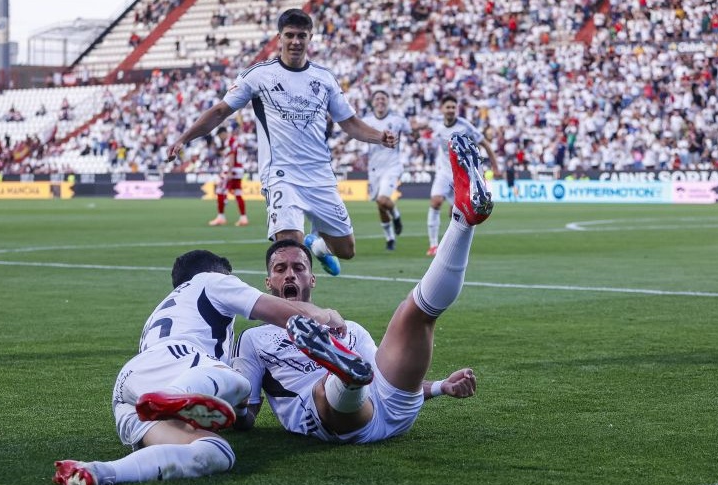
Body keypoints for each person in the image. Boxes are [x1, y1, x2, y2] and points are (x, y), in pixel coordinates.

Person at [233, 133, 493, 443]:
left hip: (393, 410)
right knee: (325, 386)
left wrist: (439, 387)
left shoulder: (350, 329)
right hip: (338, 418)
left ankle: (463, 219)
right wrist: (227, 410)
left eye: (299, 268)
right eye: (280, 269)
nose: (290, 275)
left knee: (417, 313)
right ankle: (345, 378)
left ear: (312, 280)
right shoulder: (253, 339)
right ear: (268, 282)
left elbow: (383, 376)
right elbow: (247, 412)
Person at [52, 250, 348, 485]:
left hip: (131, 391)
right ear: (219, 273)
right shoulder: (211, 281)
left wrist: (241, 414)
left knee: (216, 454)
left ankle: (97, 472)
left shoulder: (174, 309)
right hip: (175, 362)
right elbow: (280, 311)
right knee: (238, 382)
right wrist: (325, 315)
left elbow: (241, 420)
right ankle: (175, 397)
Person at [166, 9, 398, 277]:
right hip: (281, 176)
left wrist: (379, 136)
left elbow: (350, 123)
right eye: (290, 35)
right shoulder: (258, 76)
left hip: (320, 176)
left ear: (311, 37)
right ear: (279, 37)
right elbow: (220, 111)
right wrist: (184, 138)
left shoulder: (324, 79)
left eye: (302, 35)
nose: (296, 41)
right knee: (290, 250)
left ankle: (319, 247)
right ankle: (292, 315)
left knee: (346, 250)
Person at [426, 96, 497, 256]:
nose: (450, 110)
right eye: (448, 107)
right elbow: (423, 125)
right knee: (436, 201)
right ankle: (433, 245)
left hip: (461, 174)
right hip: (443, 172)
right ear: (442, 109)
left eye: (453, 107)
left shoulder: (465, 126)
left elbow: (485, 144)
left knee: (456, 213)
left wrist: (495, 166)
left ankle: (450, 246)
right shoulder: (436, 123)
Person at [361, 90, 412, 251]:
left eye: (383, 98)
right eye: (377, 98)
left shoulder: (397, 119)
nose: (380, 101)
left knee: (383, 200)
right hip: (374, 168)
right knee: (379, 205)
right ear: (373, 102)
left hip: (392, 166)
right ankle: (390, 238)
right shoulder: (367, 120)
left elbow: (411, 132)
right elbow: (355, 133)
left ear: (388, 101)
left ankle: (396, 216)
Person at [208, 126, 249, 227]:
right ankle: (243, 218)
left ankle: (220, 217)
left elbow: (231, 156)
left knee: (220, 191)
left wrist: (229, 171)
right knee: (238, 193)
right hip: (239, 169)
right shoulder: (234, 141)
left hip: (231, 170)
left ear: (223, 133)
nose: (221, 138)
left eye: (220, 136)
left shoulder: (230, 141)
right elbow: (230, 153)